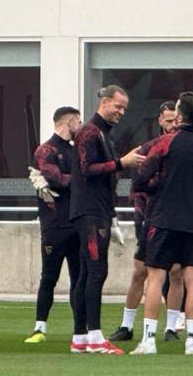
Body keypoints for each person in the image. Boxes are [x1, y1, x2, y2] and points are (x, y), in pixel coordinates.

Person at [130, 92, 193, 356]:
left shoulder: (166, 142)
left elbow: (140, 179)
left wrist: (160, 184)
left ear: (179, 115)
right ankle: (191, 341)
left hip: (164, 219)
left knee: (156, 277)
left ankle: (149, 340)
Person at [69, 85, 144, 355]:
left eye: (124, 108)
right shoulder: (90, 132)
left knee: (86, 274)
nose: (121, 112)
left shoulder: (102, 134)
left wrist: (112, 217)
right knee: (95, 272)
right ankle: (95, 336)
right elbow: (87, 169)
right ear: (104, 102)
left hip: (96, 211)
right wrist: (122, 163)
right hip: (90, 212)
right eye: (118, 106)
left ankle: (80, 337)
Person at [110, 101, 184, 344]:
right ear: (160, 120)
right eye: (169, 120)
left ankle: (171, 327)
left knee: (176, 272)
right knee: (141, 271)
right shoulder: (150, 148)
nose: (173, 124)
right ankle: (127, 325)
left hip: (178, 217)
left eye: (176, 120)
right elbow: (137, 181)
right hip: (150, 216)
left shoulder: (186, 147)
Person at [24, 106, 84, 347]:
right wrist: (81, 180)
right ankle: (39, 327)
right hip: (54, 225)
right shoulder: (46, 150)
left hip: (77, 223)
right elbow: (55, 179)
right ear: (68, 122)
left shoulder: (76, 150)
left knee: (79, 277)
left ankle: (81, 328)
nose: (81, 126)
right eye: (78, 121)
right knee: (49, 277)